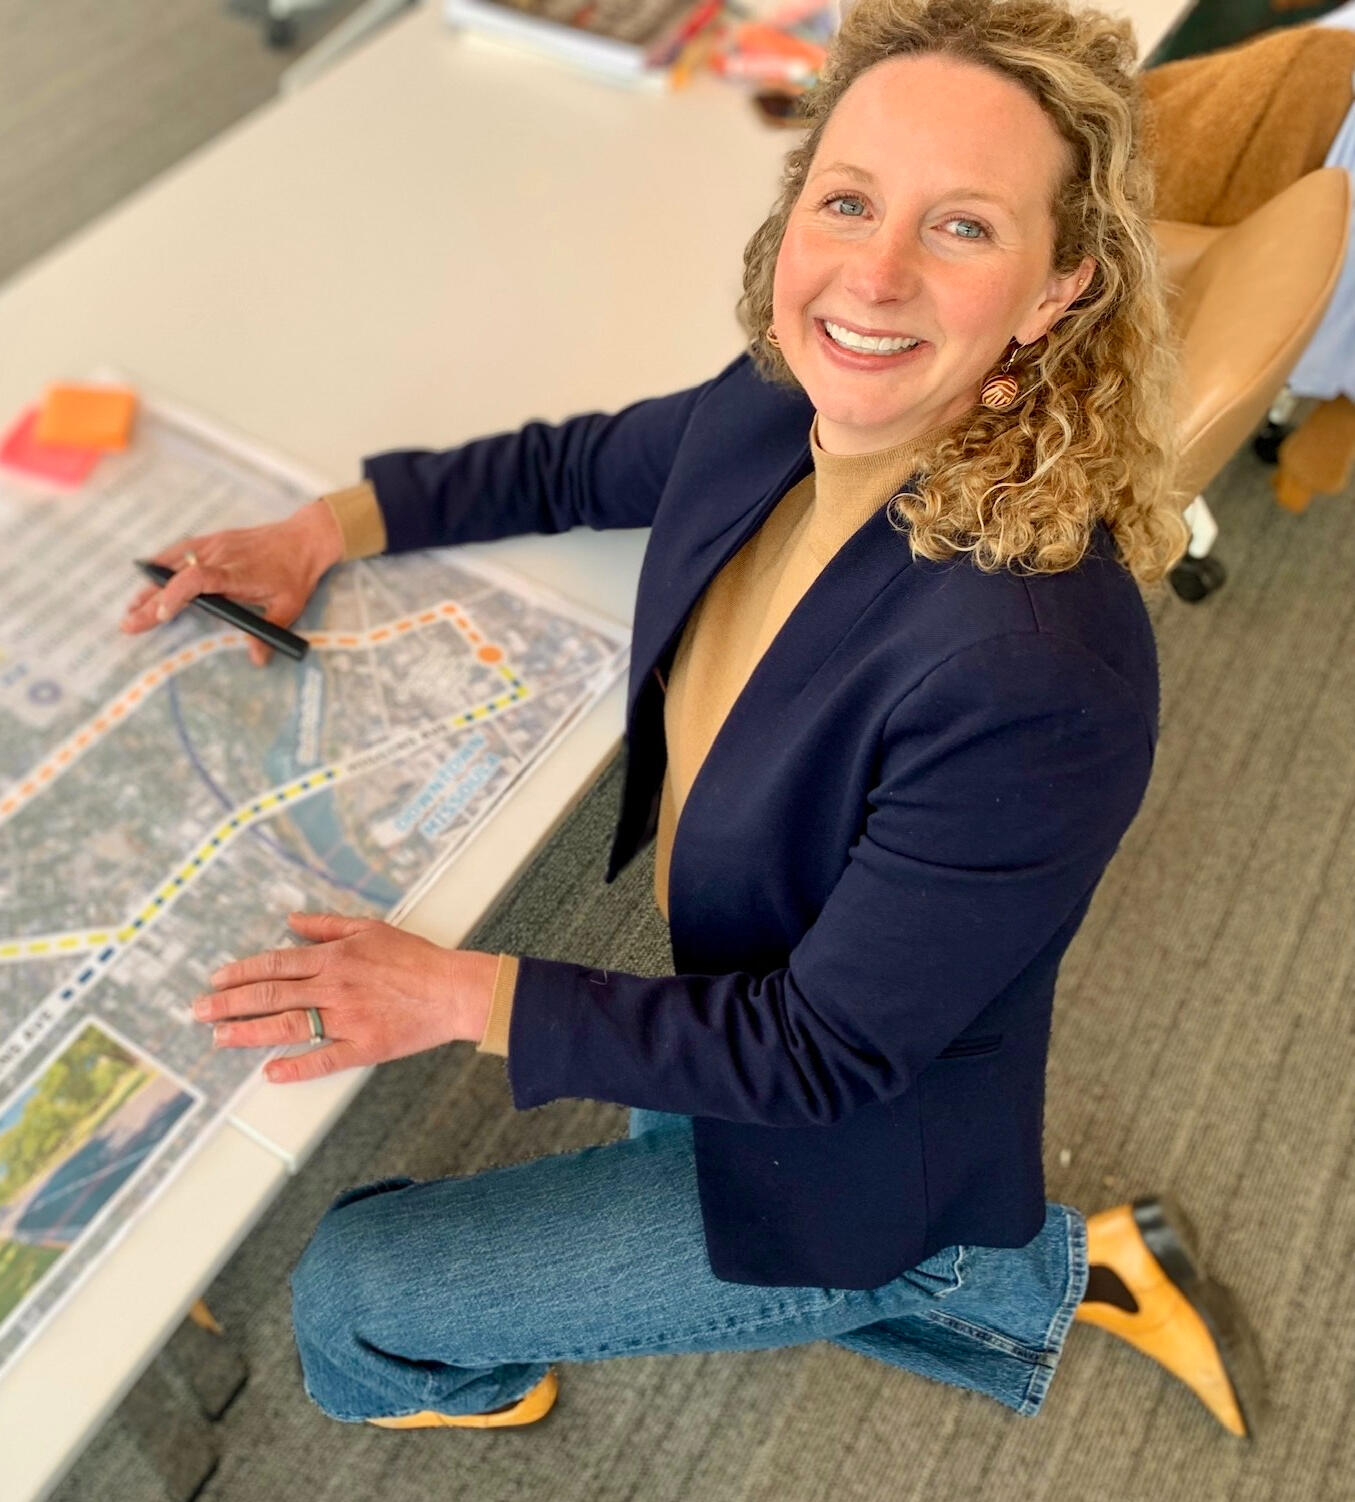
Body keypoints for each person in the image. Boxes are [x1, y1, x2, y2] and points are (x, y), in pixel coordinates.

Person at [122, 0, 1263, 1440]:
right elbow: (578, 464)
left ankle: (924, 1249)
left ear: (1057, 289)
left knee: (349, 1288)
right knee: (658, 1112)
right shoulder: (792, 398)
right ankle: (1043, 1263)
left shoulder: (1038, 673)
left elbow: (818, 1054)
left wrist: (456, 997)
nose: (873, 275)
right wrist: (323, 528)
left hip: (843, 1116)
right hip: (753, 984)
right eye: (848, 201)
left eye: (964, 227)